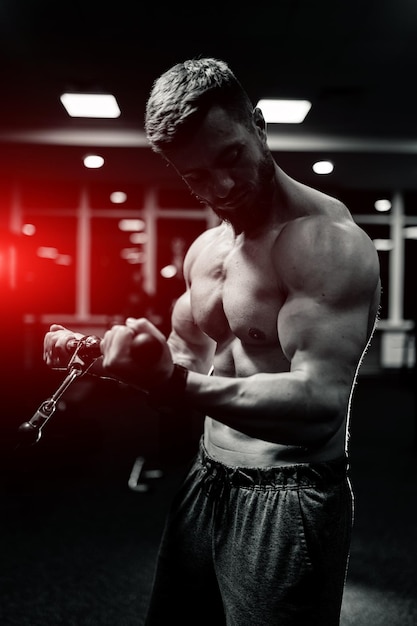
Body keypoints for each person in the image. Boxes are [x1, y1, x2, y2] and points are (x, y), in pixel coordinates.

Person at [43, 58, 381, 625]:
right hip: (206, 475)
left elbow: (319, 405)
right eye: (195, 176)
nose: (220, 187)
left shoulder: (325, 243)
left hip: (289, 491)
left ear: (258, 125)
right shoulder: (207, 253)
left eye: (230, 156)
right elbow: (186, 360)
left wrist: (172, 382)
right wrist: (105, 356)